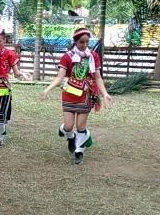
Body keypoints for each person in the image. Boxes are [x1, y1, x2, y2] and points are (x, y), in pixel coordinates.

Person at [40, 27, 113, 164]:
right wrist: (47, 89)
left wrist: (105, 94)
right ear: (75, 42)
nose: (84, 45)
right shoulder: (67, 56)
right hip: (69, 94)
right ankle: (70, 137)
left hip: (86, 94)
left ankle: (79, 151)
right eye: (81, 42)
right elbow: (60, 76)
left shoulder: (93, 56)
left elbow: (97, 77)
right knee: (68, 127)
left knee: (80, 126)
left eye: (87, 42)